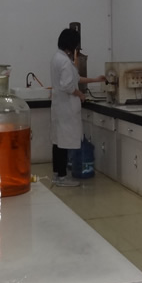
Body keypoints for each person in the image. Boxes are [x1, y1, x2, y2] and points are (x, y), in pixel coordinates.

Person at [50, 28, 106, 186]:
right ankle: (62, 178)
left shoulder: (57, 58)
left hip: (59, 107)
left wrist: (96, 80)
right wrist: (80, 94)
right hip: (66, 108)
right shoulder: (65, 62)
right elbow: (68, 86)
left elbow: (76, 78)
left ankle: (57, 174)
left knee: (58, 141)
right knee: (63, 143)